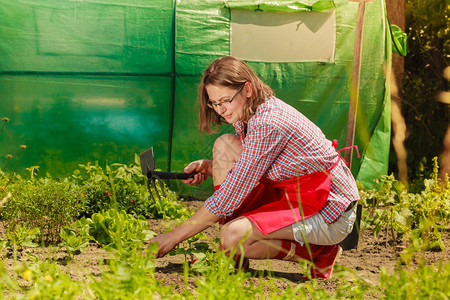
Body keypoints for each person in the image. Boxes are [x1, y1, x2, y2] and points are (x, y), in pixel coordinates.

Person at [149, 56, 359, 279]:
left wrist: (172, 237)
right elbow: (253, 166)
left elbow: (228, 198)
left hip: (329, 209)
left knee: (233, 236)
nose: (220, 109)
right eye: (214, 103)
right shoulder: (248, 112)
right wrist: (211, 167)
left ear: (247, 89)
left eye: (226, 100)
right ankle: (234, 257)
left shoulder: (268, 123)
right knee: (225, 146)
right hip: (299, 193)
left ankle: (320, 253)